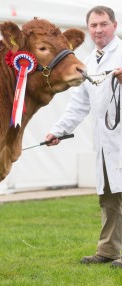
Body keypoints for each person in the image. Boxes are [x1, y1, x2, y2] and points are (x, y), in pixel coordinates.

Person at [45, 6, 122, 267]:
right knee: (109, 197)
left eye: (103, 24)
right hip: (105, 142)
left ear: (115, 25)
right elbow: (79, 104)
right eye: (94, 25)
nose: (98, 30)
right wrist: (58, 130)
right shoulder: (89, 61)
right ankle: (109, 249)